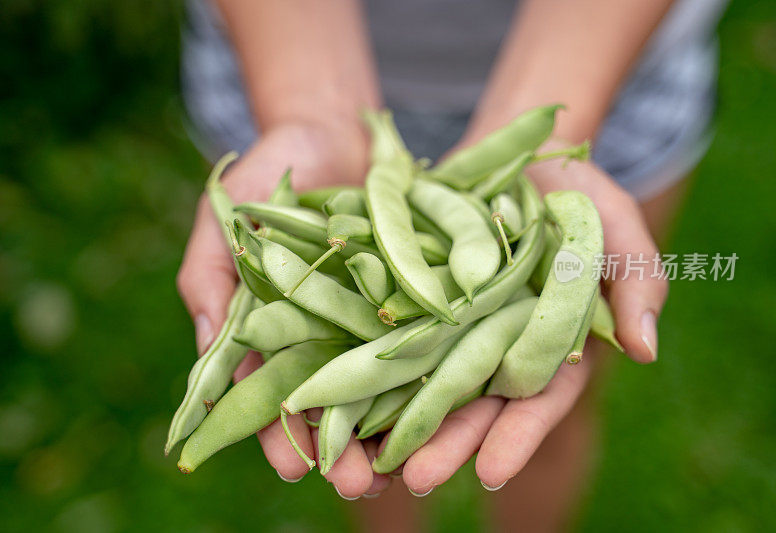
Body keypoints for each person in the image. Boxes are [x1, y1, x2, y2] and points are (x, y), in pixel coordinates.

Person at [176, 0, 727, 530]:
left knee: (551, 408)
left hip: (608, 62)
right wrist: (310, 109)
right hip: (278, 53)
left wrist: (552, 123)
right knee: (359, 449)